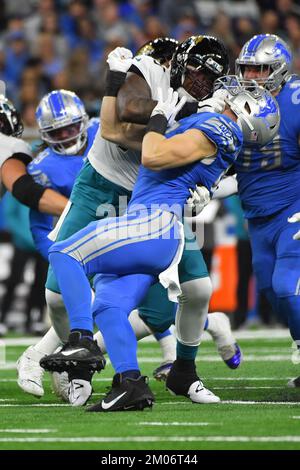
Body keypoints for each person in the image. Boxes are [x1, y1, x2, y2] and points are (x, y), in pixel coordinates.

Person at [40, 69, 279, 411]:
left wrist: (157, 118)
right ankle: (130, 384)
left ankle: (81, 341)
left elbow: (153, 154)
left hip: (152, 225)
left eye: (242, 93)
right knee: (108, 305)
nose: (231, 90)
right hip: (150, 227)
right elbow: (126, 138)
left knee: (64, 253)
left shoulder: (220, 127)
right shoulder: (212, 128)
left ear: (248, 110)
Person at [232, 34, 300, 389]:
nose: (252, 77)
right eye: (247, 69)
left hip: (294, 206)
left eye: (260, 69)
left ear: (279, 70)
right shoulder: (233, 104)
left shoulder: (295, 99)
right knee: (274, 295)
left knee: (287, 287)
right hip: (257, 216)